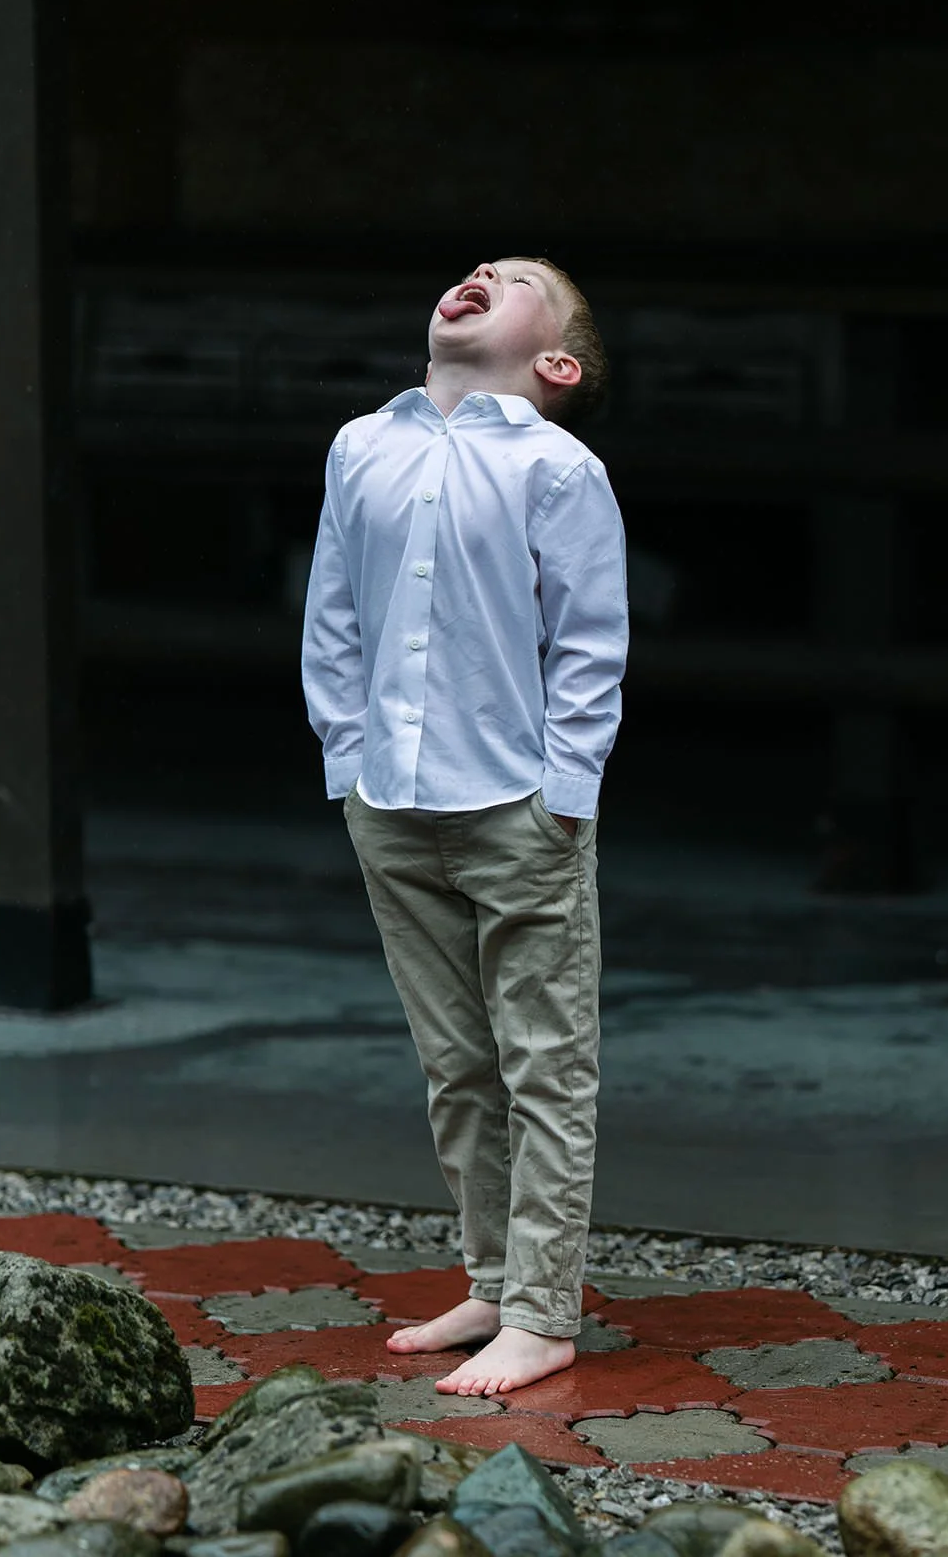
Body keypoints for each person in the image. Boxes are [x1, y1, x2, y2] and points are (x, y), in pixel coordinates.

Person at [301, 257, 628, 1396]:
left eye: (521, 278)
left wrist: (566, 796)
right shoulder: (362, 447)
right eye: (480, 266)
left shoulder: (557, 466)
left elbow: (589, 644)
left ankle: (543, 1310)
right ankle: (494, 1276)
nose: (482, 271)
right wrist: (347, 762)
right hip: (390, 805)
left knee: (546, 1061)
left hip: (516, 810)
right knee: (456, 1063)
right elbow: (333, 613)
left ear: (555, 363)